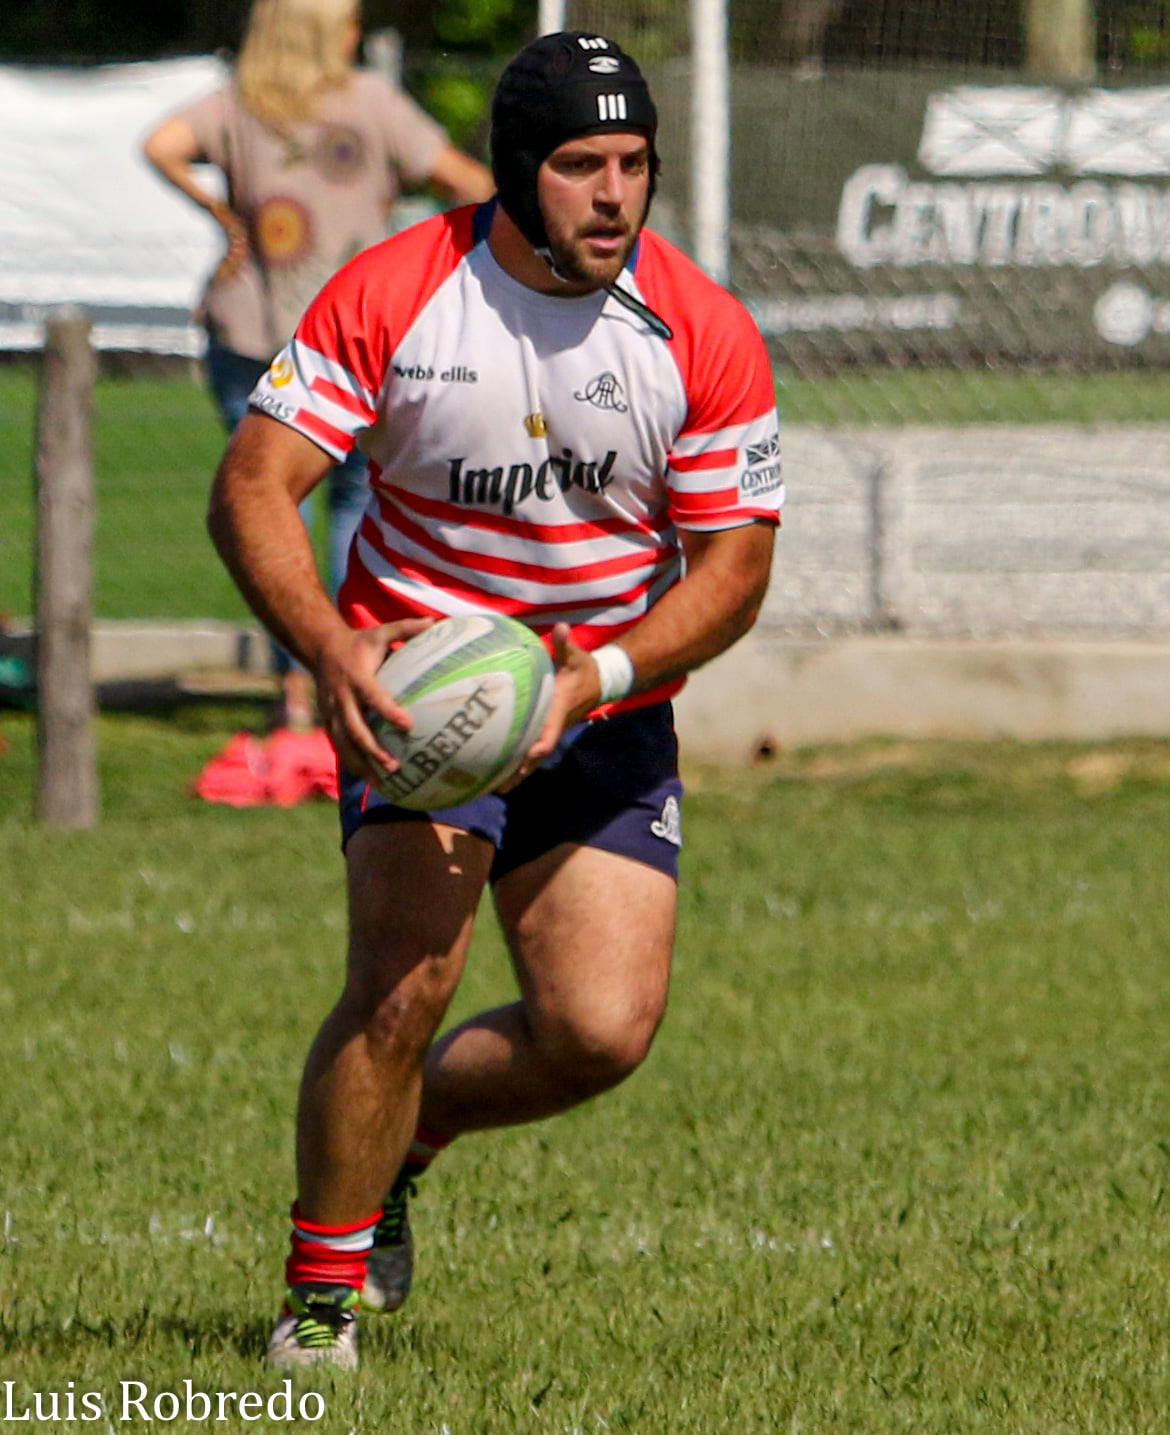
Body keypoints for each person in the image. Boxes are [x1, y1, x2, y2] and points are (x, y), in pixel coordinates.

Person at [206, 29, 785, 1370]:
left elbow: (735, 571)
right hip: (417, 699)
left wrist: (594, 677)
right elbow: (252, 485)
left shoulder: (699, 328)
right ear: (517, 170)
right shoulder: (397, 290)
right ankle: (319, 1304)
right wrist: (330, 648)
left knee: (597, 1033)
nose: (614, 194)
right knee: (401, 987)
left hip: (600, 707)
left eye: (633, 163)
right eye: (581, 164)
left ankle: (404, 1140)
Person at [143, 0, 493, 727]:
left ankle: (297, 689)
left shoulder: (236, 105)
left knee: (272, 510)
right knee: (355, 507)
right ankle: (364, 674)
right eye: (348, 22)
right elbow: (470, 182)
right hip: (361, 337)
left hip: (251, 328)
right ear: (322, 31)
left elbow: (160, 145)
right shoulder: (371, 103)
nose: (356, 34)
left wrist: (221, 215)